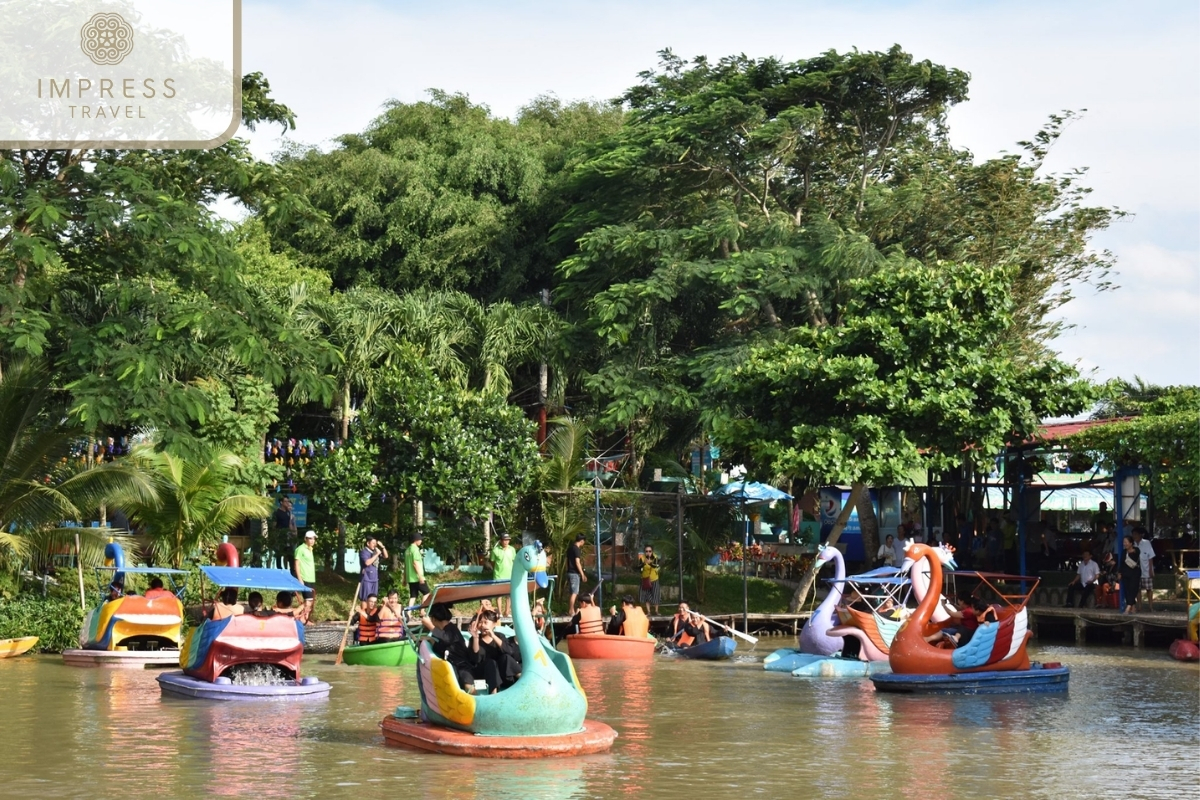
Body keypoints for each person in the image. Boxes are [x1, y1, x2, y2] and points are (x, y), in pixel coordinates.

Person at [422, 603, 476, 691]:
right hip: (453, 665)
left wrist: (430, 626)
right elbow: (442, 647)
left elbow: (447, 638)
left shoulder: (451, 629)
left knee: (467, 682)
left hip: (463, 665)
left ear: (433, 619)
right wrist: (431, 640)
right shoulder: (444, 631)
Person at [468, 609, 521, 693]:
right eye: (480, 622)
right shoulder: (474, 639)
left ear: (494, 624)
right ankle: (494, 693)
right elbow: (475, 659)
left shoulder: (500, 636)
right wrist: (475, 638)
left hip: (501, 675)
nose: (482, 625)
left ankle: (522, 680)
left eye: (486, 622)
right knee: (491, 662)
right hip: (484, 674)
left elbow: (510, 652)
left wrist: (493, 636)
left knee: (505, 657)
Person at [489, 533, 516, 616]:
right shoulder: (495, 550)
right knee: (499, 595)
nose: (506, 542)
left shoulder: (512, 549)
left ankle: (507, 612)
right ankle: (500, 612)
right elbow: (492, 562)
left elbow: (514, 561)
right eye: (505, 540)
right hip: (498, 575)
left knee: (509, 595)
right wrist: (497, 569)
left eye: (508, 540)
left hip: (510, 575)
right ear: (501, 540)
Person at [294, 530, 318, 623]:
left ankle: (305, 618)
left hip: (311, 578)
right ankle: (304, 619)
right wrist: (300, 579)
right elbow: (296, 564)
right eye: (310, 538)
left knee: (310, 601)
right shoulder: (300, 549)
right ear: (305, 539)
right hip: (305, 578)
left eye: (313, 539)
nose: (312, 541)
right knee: (308, 601)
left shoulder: (310, 549)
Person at [405, 531, 431, 610]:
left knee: (413, 596)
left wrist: (404, 578)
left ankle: (408, 612)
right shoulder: (415, 550)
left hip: (410, 578)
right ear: (416, 540)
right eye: (420, 539)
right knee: (427, 593)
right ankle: (422, 610)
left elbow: (406, 566)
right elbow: (415, 563)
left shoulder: (407, 550)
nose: (421, 541)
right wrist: (420, 576)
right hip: (417, 577)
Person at [359, 534, 388, 603]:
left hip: (375, 578)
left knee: (373, 599)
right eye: (373, 543)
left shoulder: (375, 551)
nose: (375, 545)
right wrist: (377, 554)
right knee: (365, 599)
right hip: (366, 579)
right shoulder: (364, 552)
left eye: (376, 543)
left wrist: (382, 547)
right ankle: (363, 613)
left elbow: (386, 556)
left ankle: (370, 613)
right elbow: (367, 563)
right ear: (368, 543)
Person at [1133, 526, 1156, 612]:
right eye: (1133, 534)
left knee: (1149, 589)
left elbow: (1151, 557)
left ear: (1140, 535)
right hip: (1136, 571)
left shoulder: (1147, 543)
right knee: (1137, 590)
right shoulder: (1133, 545)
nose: (1134, 536)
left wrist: (1151, 570)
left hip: (1146, 569)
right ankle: (1140, 606)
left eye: (1136, 534)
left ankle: (1150, 606)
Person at [273, 496, 297, 570]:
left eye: (288, 501)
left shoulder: (288, 512)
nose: (287, 503)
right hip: (280, 535)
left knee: (290, 552)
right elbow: (274, 525)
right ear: (281, 502)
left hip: (288, 535)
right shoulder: (277, 513)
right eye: (286, 501)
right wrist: (275, 535)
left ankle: (292, 570)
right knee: (279, 553)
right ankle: (279, 569)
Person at [1119, 535, 1141, 614]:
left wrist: (1131, 551)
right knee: (1127, 591)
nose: (1124, 544)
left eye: (1126, 542)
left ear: (1131, 543)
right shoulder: (1123, 552)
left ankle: (1128, 607)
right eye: (1124, 542)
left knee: (1133, 590)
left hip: (1134, 574)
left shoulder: (1136, 550)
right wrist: (1119, 572)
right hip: (1125, 574)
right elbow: (1121, 563)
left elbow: (1136, 552)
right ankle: (1133, 607)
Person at [566, 533, 586, 615]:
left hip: (569, 572)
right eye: (584, 541)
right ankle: (571, 610)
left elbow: (566, 561)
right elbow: (577, 562)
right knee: (574, 593)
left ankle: (570, 609)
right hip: (574, 573)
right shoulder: (576, 549)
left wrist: (567, 570)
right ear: (581, 541)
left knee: (572, 593)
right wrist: (582, 574)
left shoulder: (570, 548)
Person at [638, 545, 661, 615]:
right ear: (645, 552)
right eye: (646, 551)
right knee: (646, 595)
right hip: (645, 579)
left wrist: (650, 563)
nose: (648, 553)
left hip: (654, 579)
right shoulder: (642, 558)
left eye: (649, 551)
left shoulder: (655, 557)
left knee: (656, 594)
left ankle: (656, 611)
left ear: (652, 551)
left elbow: (655, 565)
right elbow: (639, 567)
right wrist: (644, 563)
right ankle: (648, 611)